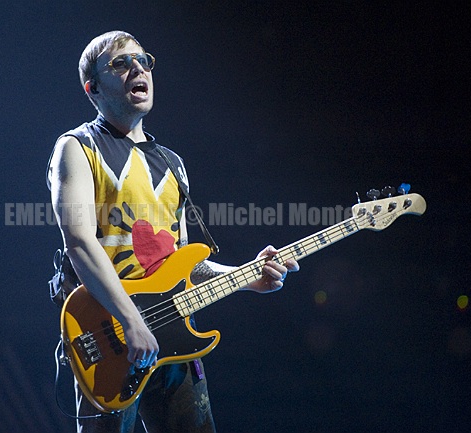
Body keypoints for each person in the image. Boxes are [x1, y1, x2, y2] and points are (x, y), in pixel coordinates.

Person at [46, 30, 299, 433]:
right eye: (120, 63)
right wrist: (131, 320)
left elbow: (182, 263)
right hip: (110, 339)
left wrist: (248, 276)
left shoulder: (172, 164)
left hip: (174, 339)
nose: (138, 68)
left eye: (143, 60)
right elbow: (78, 243)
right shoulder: (77, 147)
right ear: (92, 88)